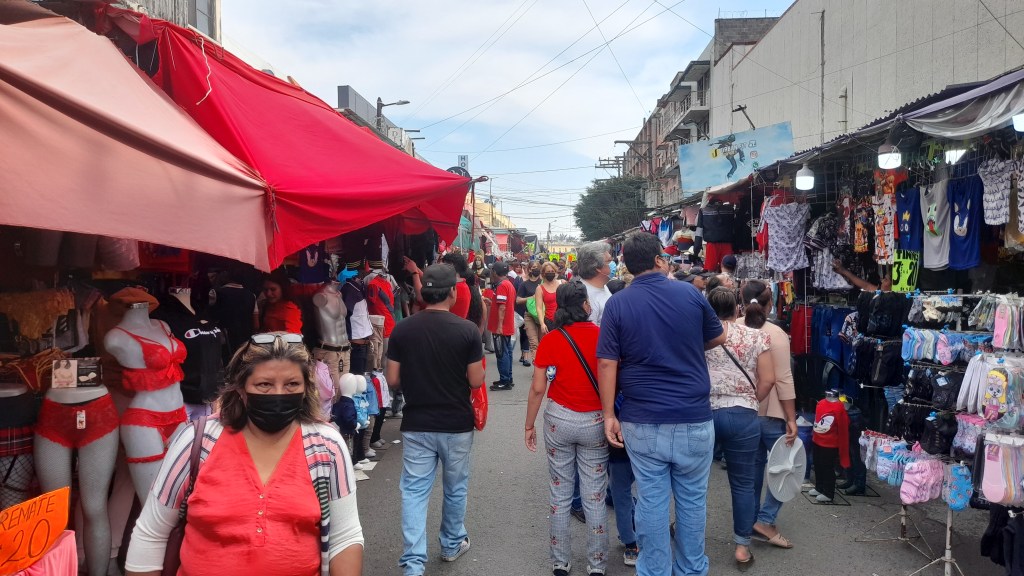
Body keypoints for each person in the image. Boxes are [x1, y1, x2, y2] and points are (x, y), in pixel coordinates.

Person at [125, 333, 363, 576]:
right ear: (241, 389)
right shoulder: (198, 441)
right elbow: (150, 533)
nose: (278, 394)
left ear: (305, 389)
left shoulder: (326, 446)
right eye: (264, 385)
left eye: (292, 384)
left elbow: (345, 536)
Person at [597, 232, 726, 576]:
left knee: (651, 499)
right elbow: (718, 336)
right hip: (693, 415)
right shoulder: (689, 293)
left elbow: (607, 363)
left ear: (627, 265)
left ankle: (654, 570)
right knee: (692, 500)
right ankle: (691, 569)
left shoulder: (618, 303)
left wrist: (609, 414)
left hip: (642, 418)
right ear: (658, 260)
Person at [385, 265, 485, 576]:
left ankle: (414, 563)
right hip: (456, 423)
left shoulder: (403, 329)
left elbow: (392, 379)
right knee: (455, 487)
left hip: (417, 422)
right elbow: (475, 380)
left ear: (423, 294)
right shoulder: (467, 330)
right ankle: (451, 544)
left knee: (414, 491)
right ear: (452, 292)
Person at [525, 280, 608, 576]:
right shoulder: (602, 336)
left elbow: (538, 388)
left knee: (560, 494)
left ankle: (560, 562)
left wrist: (529, 425)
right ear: (585, 305)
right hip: (595, 421)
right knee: (594, 495)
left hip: (559, 419)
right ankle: (597, 565)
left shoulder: (552, 339)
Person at [703, 287, 776, 570]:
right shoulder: (757, 337)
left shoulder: (699, 336)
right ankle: (742, 548)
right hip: (743, 414)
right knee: (744, 483)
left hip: (703, 412)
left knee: (693, 481)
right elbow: (768, 379)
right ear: (737, 309)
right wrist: (749, 400)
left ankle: (685, 532)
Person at [740, 280, 798, 549]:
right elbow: (783, 379)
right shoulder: (776, 334)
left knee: (750, 473)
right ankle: (765, 519)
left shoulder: (732, 328)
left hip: (743, 411)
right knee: (786, 468)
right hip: (772, 413)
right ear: (770, 302)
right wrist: (791, 418)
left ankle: (748, 523)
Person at [488, 261, 517, 390]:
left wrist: (499, 326)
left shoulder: (501, 286)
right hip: (507, 325)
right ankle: (508, 378)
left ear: (495, 272)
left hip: (501, 326)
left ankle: (504, 380)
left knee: (501, 353)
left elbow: (502, 307)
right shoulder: (508, 284)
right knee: (507, 352)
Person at [576, 242, 614, 325]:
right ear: (597, 267)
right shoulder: (587, 296)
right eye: (609, 261)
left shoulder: (602, 286)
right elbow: (591, 330)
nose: (613, 264)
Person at [516, 262, 542, 366]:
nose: (536, 269)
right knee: (533, 342)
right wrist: (532, 297)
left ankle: (541, 365)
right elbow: (518, 300)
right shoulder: (524, 284)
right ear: (530, 269)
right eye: (534, 267)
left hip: (541, 315)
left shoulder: (543, 283)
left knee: (541, 342)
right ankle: (536, 367)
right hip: (529, 315)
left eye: (538, 267)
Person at [535, 261, 562, 335]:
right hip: (549, 322)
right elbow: (539, 308)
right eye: (548, 272)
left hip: (563, 320)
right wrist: (542, 324)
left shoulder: (562, 284)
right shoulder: (540, 288)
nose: (550, 273)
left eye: (552, 271)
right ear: (544, 273)